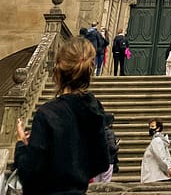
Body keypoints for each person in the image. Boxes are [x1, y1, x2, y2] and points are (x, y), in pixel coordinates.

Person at [13, 36, 109, 194]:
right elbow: (101, 162)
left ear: (58, 69)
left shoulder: (48, 113)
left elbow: (29, 173)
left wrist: (21, 145)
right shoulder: (95, 111)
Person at [92, 111, 120, 182]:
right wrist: (117, 146)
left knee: (96, 182)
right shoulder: (109, 132)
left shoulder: (95, 131)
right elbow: (112, 148)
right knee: (105, 181)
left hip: (96, 161)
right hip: (108, 161)